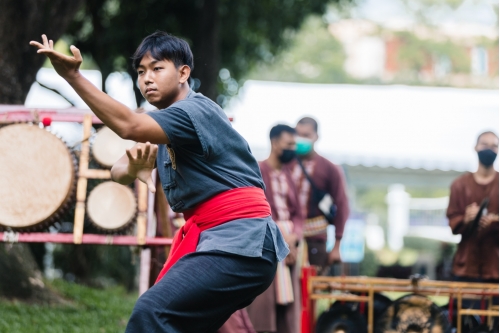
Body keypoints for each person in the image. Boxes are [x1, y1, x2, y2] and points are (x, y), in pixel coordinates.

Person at [30, 32, 289, 333]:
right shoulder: (167, 127)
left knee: (152, 312)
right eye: (141, 72)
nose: (146, 79)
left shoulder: (193, 112)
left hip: (240, 242)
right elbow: (119, 169)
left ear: (183, 73)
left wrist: (74, 77)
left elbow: (129, 125)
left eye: (157, 68)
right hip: (233, 245)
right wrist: (135, 169)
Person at [247, 124, 305, 333]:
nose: (292, 148)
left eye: (294, 144)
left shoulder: (289, 174)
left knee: (289, 307)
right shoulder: (258, 170)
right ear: (274, 142)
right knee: (264, 303)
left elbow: (299, 213)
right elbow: (256, 209)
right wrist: (280, 237)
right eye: (288, 144)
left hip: (291, 245)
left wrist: (294, 238)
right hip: (266, 243)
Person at [286, 117, 349, 274]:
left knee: (310, 289)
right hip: (287, 240)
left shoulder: (330, 169)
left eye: (306, 135)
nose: (301, 139)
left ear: (316, 137)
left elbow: (342, 205)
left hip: (316, 241)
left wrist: (336, 246)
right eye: (298, 134)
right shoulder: (286, 164)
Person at [447, 131, 499, 284]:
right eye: (484, 144)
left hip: (495, 268)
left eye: (494, 146)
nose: (489, 149)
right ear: (476, 147)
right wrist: (466, 219)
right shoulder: (459, 185)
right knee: (463, 307)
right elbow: (452, 221)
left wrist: (494, 222)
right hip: (465, 267)